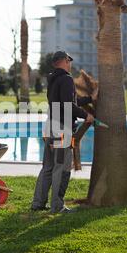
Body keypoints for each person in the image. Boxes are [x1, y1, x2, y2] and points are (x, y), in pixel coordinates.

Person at [31, 51, 94, 214]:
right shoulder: (66, 79)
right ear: (65, 61)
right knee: (62, 168)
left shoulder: (53, 80)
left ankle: (38, 203)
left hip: (50, 128)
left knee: (48, 167)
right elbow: (69, 106)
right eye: (69, 61)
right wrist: (86, 115)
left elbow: (69, 101)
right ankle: (57, 206)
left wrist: (88, 99)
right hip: (61, 130)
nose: (70, 64)